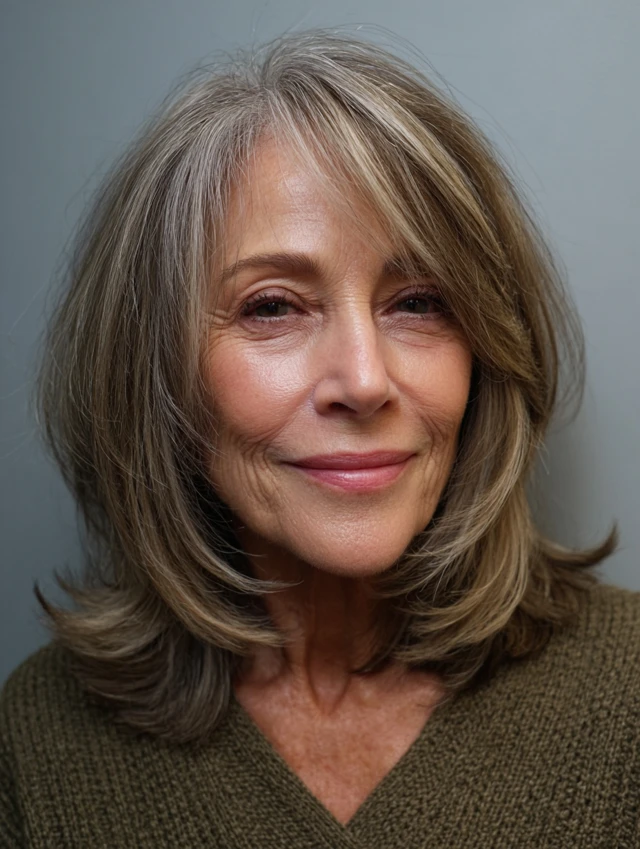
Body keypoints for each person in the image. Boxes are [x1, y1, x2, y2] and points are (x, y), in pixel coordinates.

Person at [1, 29, 638, 848]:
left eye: (419, 301)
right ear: (155, 375)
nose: (365, 380)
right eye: (272, 307)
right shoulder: (35, 747)